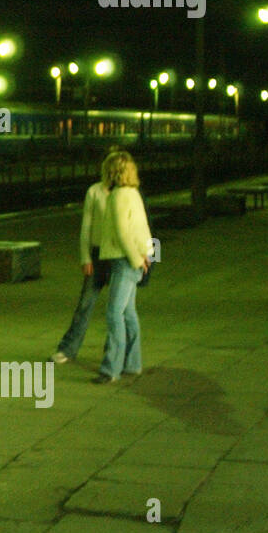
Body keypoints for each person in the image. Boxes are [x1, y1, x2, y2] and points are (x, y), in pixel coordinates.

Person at [51, 150, 125, 365]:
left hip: (120, 257)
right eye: (111, 168)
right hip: (98, 254)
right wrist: (85, 257)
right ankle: (68, 348)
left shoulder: (130, 193)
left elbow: (143, 227)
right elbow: (86, 226)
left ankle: (115, 353)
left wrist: (151, 257)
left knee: (119, 310)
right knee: (85, 303)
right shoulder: (94, 191)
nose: (114, 173)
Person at [94, 152, 152, 384]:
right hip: (136, 257)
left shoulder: (118, 196)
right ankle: (132, 363)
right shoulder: (133, 193)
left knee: (114, 313)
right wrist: (146, 255)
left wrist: (136, 259)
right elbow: (141, 228)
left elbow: (123, 231)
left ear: (112, 172)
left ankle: (111, 369)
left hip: (124, 259)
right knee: (128, 313)